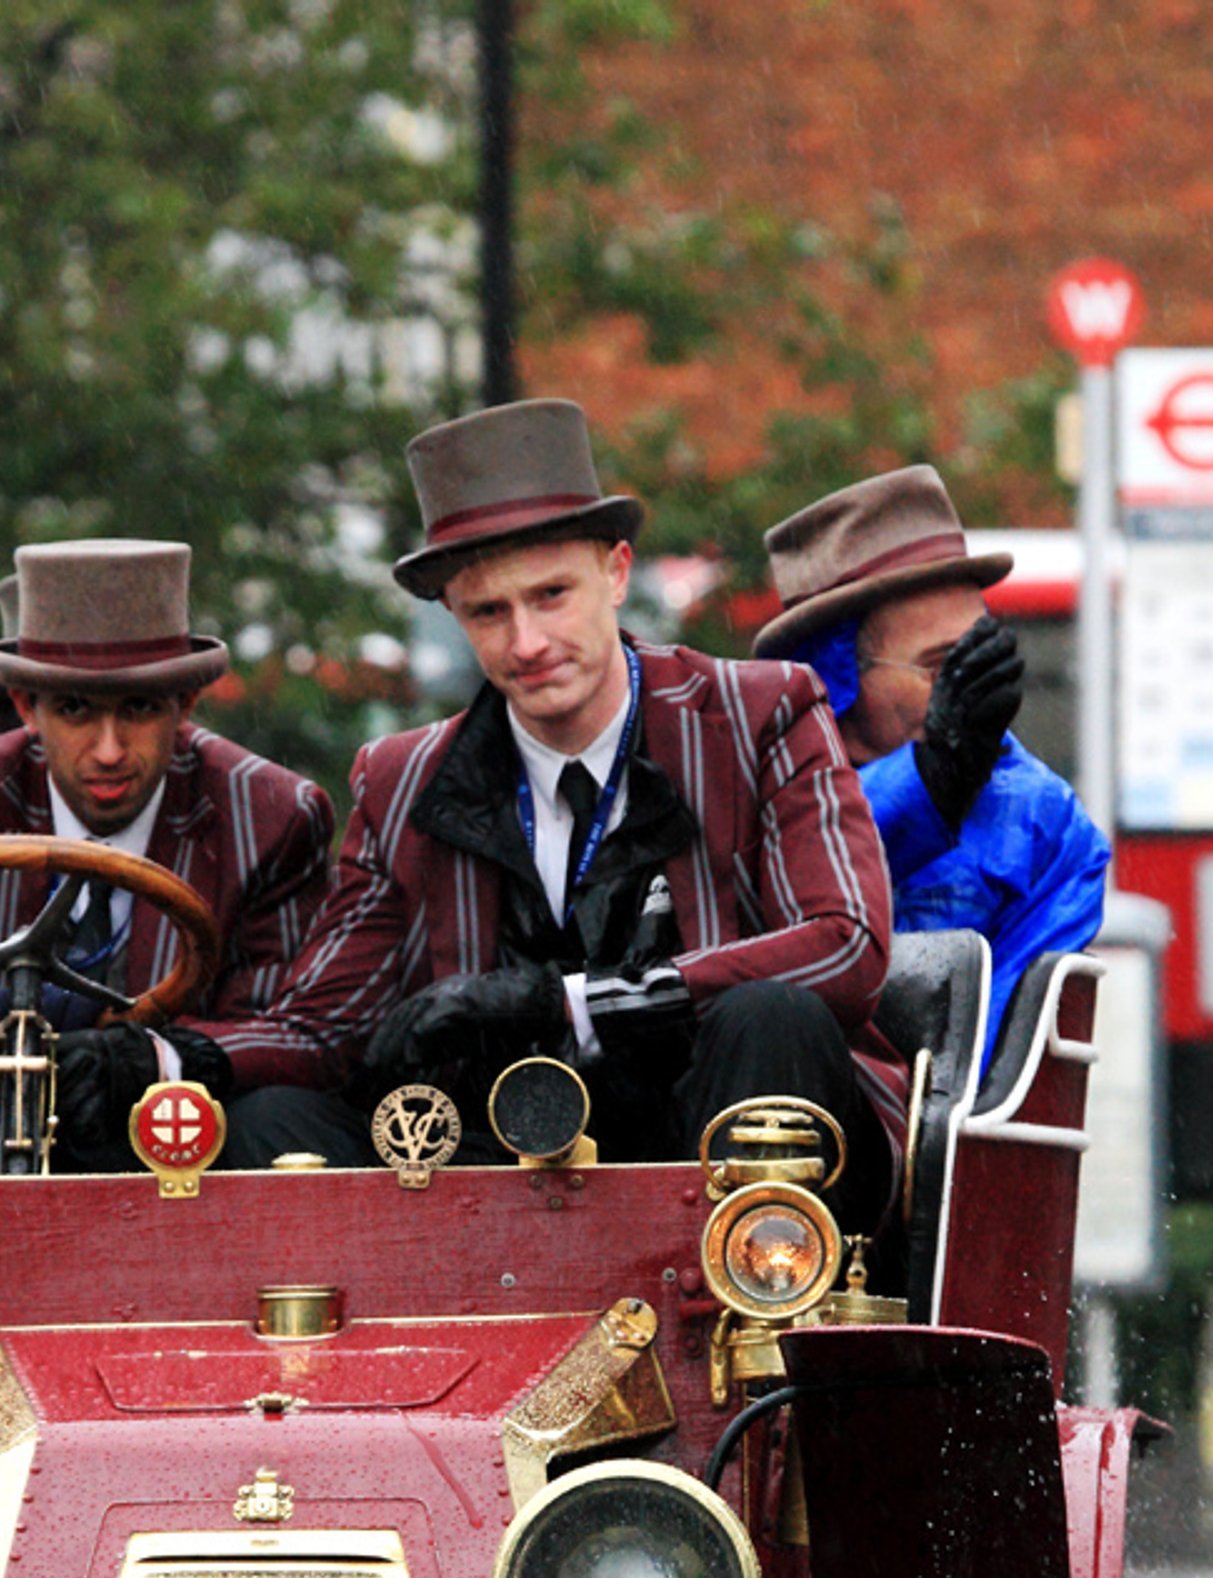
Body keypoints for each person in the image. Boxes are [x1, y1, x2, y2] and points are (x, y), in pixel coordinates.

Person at [231, 399, 905, 1236]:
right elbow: (321, 1030)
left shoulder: (761, 711)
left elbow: (847, 945)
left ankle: (749, 1329)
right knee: (273, 1123)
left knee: (773, 1014)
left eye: (552, 595)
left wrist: (572, 1002)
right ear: (452, 617)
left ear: (617, 574)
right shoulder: (399, 778)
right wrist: (157, 1060)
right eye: (489, 612)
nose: (527, 642)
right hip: (504, 1179)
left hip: (722, 1147)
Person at [0, 540, 335, 1170]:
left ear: (185, 703)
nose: (108, 750)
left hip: (175, 1165)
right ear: (25, 706)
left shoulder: (270, 814)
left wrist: (147, 1059)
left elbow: (295, 1033)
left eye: (139, 707)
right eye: (75, 710)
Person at [754, 465, 1109, 1068]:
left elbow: (982, 1074)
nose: (971, 689)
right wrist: (932, 778)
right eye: (941, 663)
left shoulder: (1046, 824)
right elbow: (783, 881)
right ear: (838, 677)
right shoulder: (739, 783)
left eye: (980, 655)